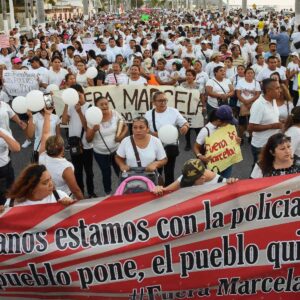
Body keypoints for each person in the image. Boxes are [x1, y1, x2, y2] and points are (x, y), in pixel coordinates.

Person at [38, 108, 84, 200]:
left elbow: (45, 133)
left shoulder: (42, 156)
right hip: (64, 198)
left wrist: (47, 115)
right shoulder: (66, 167)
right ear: (62, 148)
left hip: (48, 197)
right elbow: (75, 190)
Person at [86, 97, 128, 195]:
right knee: (106, 173)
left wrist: (120, 136)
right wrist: (93, 130)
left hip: (117, 151)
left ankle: (126, 190)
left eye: (106, 104)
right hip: (100, 153)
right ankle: (108, 193)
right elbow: (88, 139)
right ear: (96, 107)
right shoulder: (92, 118)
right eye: (102, 104)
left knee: (121, 171)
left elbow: (125, 126)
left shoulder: (114, 113)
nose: (105, 106)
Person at [145, 92, 189, 185]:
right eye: (160, 101)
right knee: (157, 172)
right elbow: (144, 130)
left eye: (165, 100)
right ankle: (157, 189)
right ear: (153, 102)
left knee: (169, 171)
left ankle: (169, 191)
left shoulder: (173, 111)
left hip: (171, 146)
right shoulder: (148, 114)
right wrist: (152, 134)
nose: (163, 103)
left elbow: (185, 123)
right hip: (156, 147)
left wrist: (184, 128)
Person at [61, 84, 96, 198]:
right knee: (78, 171)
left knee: (89, 172)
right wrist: (66, 103)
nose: (77, 98)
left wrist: (80, 111)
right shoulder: (71, 107)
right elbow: (64, 122)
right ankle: (80, 193)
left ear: (83, 93)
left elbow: (87, 127)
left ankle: (91, 192)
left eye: (78, 94)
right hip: (74, 144)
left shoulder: (90, 107)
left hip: (86, 145)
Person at [152, 159, 238, 195]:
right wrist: (159, 189)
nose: (188, 183)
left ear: (202, 179)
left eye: (191, 182)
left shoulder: (222, 183)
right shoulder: (188, 175)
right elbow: (167, 190)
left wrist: (233, 185)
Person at [4, 164, 75, 207]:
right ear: (32, 187)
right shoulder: (12, 204)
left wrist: (70, 206)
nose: (51, 184)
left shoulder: (60, 196)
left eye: (50, 179)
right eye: (45, 182)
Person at [248, 78, 283, 164]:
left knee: (268, 170)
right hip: (261, 146)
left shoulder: (273, 100)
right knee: (258, 172)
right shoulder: (259, 105)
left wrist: (279, 121)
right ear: (268, 90)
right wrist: (272, 126)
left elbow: (269, 118)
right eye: (277, 88)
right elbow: (251, 127)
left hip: (272, 143)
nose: (280, 90)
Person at [0, 127, 20, 205]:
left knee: (7, 195)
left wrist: (3, 136)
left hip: (3, 169)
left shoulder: (3, 132)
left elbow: (17, 148)